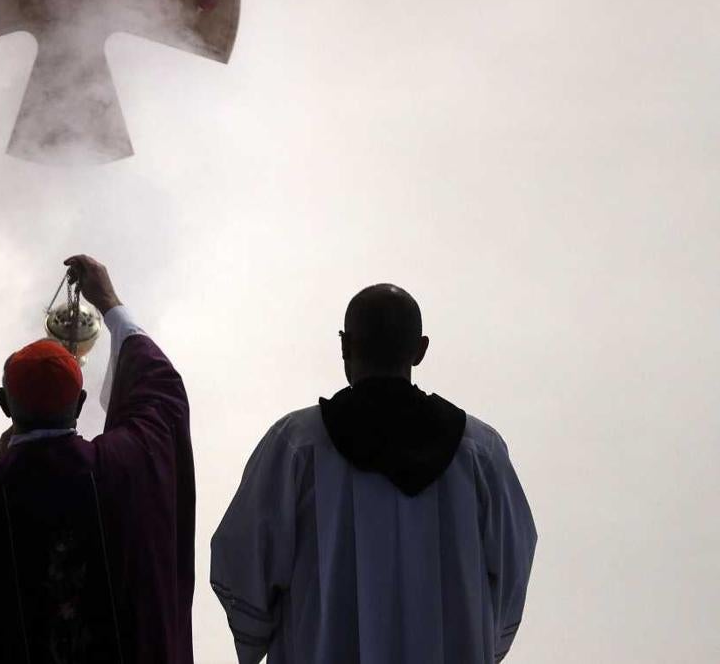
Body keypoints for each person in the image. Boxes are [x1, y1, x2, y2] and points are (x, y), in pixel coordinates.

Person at [210, 284, 537, 664]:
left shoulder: (296, 447)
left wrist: (257, 637)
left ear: (345, 346)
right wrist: (475, 637)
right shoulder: (481, 454)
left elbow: (244, 562)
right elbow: (513, 565)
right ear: (420, 349)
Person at [0, 255, 196, 664]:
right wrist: (110, 303)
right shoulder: (125, 469)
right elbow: (161, 396)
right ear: (79, 403)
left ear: (4, 403)